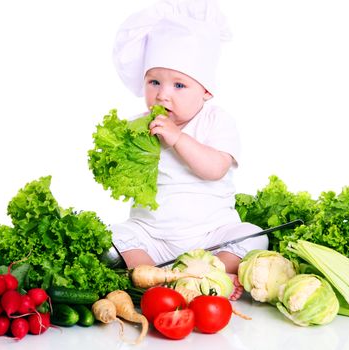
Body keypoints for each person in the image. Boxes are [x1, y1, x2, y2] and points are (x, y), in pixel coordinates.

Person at [109, 0, 266, 300]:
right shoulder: (138, 127)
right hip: (152, 237)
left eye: (179, 85)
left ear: (206, 92)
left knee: (254, 237)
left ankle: (215, 273)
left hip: (212, 236)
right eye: (154, 81)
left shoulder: (215, 120)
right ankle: (153, 279)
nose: (163, 93)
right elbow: (119, 178)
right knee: (114, 237)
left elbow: (215, 168)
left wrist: (177, 138)